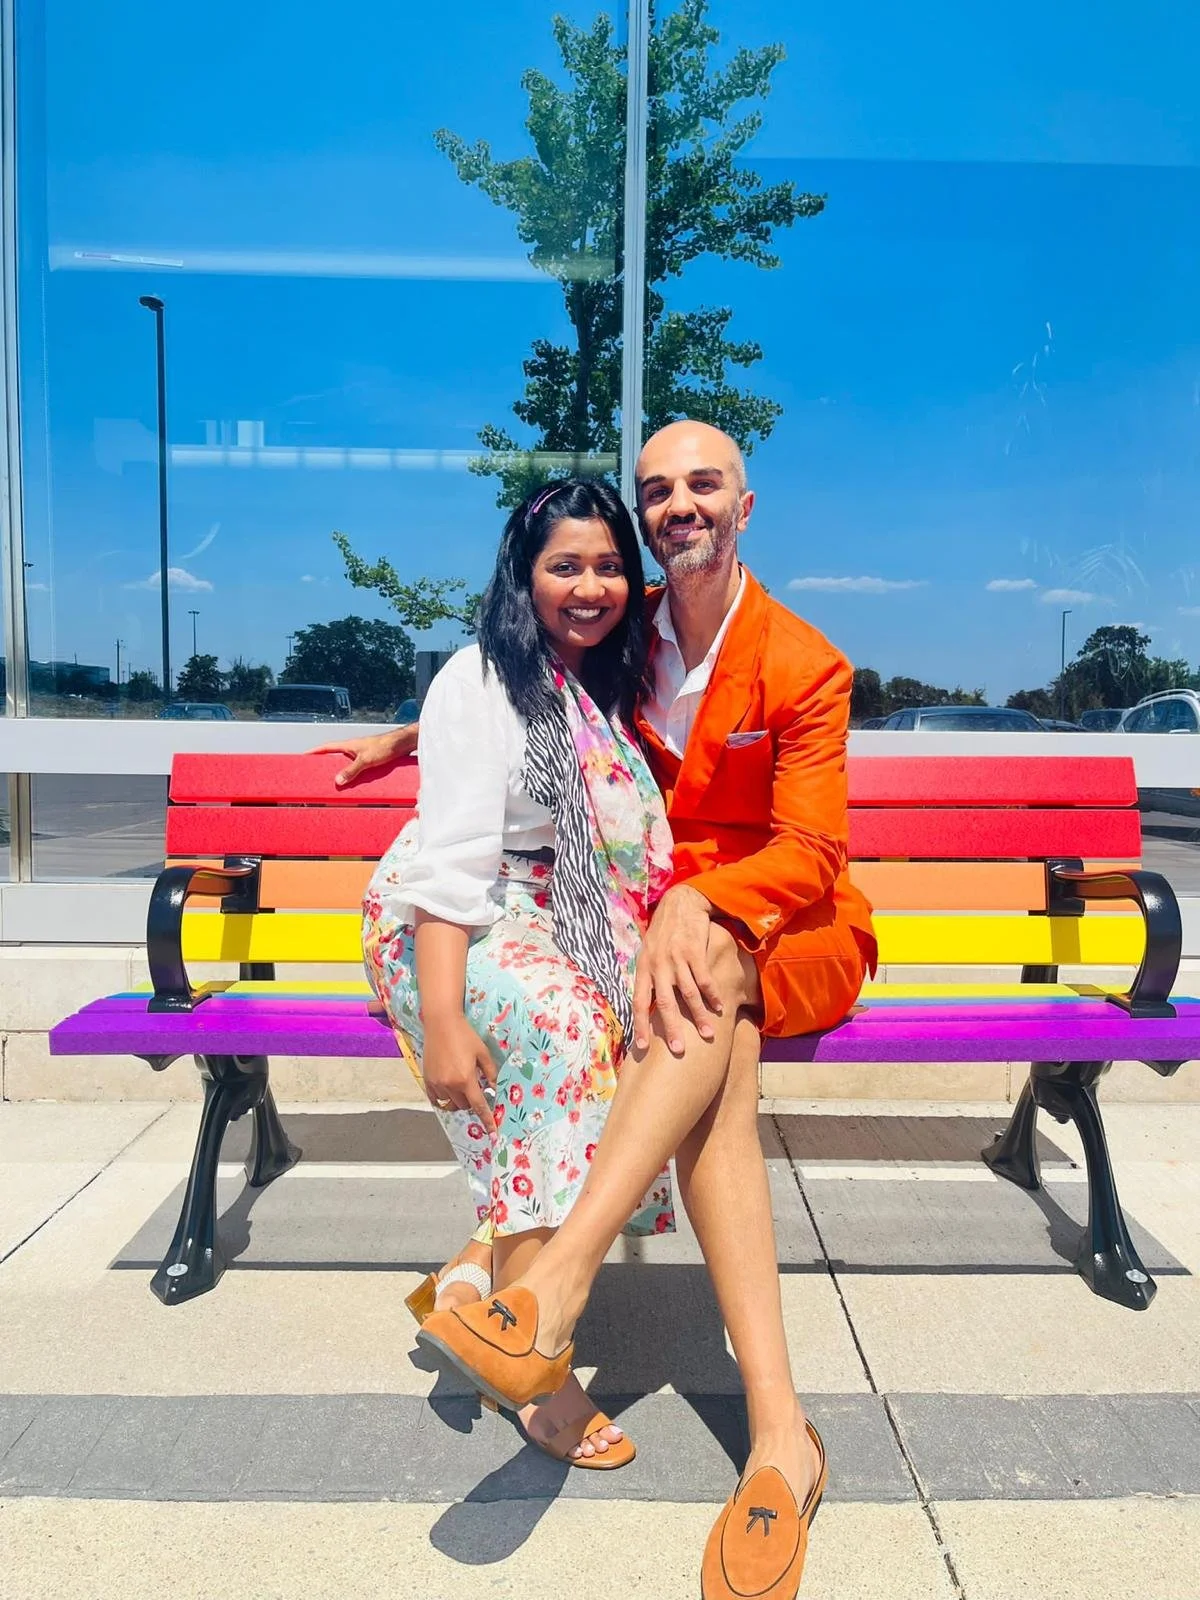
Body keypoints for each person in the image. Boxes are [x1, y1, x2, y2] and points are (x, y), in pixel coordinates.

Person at [324, 421, 876, 1600]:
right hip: (649, 925)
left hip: (788, 917)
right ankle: (782, 1434)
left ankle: (554, 1281)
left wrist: (708, 905)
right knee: (708, 1064)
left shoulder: (803, 661)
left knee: (709, 979)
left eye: (703, 486)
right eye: (658, 491)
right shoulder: (631, 641)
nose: (679, 506)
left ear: (745, 505)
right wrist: (413, 736)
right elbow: (522, 705)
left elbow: (816, 849)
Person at [355, 477, 674, 1469]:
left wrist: (398, 738)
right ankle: (534, 1365)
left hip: (562, 907)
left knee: (647, 1037)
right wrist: (444, 1019)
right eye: (563, 567)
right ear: (521, 575)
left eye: (609, 565)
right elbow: (451, 865)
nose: (590, 586)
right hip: (443, 916)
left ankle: (480, 1265)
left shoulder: (608, 669)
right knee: (563, 1037)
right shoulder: (476, 680)